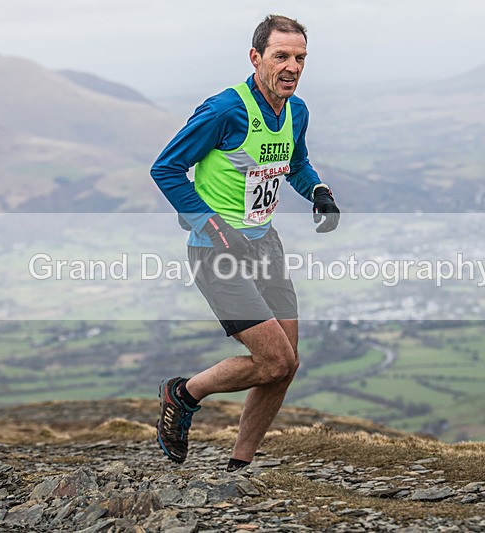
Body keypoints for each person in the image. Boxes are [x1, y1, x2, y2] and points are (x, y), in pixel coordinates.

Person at [150, 14, 340, 471]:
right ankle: (184, 393)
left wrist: (318, 191)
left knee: (287, 363)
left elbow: (295, 163)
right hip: (216, 250)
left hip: (264, 245)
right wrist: (212, 224)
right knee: (273, 359)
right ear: (256, 58)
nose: (292, 66)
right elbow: (166, 169)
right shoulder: (223, 110)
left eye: (300, 58)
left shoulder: (297, 111)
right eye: (281, 56)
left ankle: (240, 466)